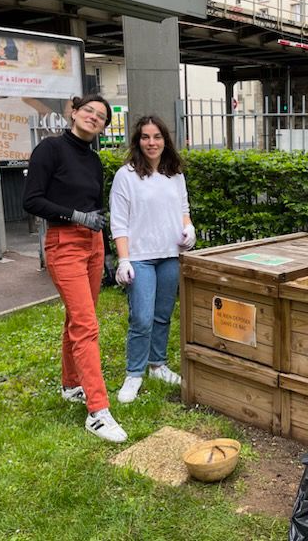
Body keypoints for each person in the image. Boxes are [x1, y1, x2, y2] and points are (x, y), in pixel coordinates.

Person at [22, 93, 127, 443]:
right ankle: (98, 412)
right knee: (86, 325)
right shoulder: (50, 149)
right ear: (74, 112)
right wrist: (75, 216)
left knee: (78, 318)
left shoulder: (94, 160)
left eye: (101, 116)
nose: (94, 117)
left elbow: (95, 206)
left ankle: (71, 385)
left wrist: (105, 247)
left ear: (104, 126)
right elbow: (31, 200)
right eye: (89, 111)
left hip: (93, 244)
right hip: (64, 243)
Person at [109, 115, 196, 404]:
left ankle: (157, 365)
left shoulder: (175, 174)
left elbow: (183, 209)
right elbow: (119, 222)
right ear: (138, 141)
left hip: (170, 254)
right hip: (140, 258)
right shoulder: (126, 175)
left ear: (165, 140)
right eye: (145, 137)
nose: (151, 142)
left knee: (162, 315)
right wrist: (124, 260)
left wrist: (189, 228)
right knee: (142, 318)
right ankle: (134, 373)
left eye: (157, 137)